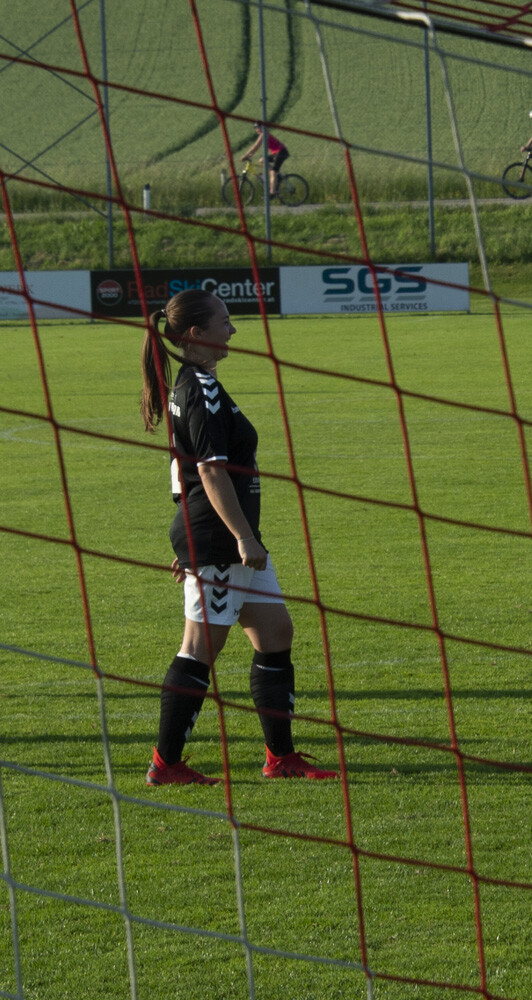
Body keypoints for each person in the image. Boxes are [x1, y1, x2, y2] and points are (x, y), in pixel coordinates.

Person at [139, 288, 336, 785]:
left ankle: (280, 758)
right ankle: (166, 763)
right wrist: (238, 539)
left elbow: (180, 469)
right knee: (199, 648)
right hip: (226, 541)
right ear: (196, 334)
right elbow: (208, 470)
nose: (232, 329)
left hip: (223, 539)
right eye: (224, 321)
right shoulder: (200, 389)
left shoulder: (195, 384)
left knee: (275, 633)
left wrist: (193, 538)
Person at [241, 122, 289, 200]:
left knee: (273, 172)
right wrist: (248, 155)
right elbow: (255, 148)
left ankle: (272, 193)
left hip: (281, 152)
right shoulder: (263, 134)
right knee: (262, 160)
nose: (256, 129)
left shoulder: (264, 134)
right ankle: (276, 177)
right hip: (277, 153)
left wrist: (245, 156)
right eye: (255, 128)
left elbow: (255, 147)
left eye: (258, 128)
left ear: (262, 127)